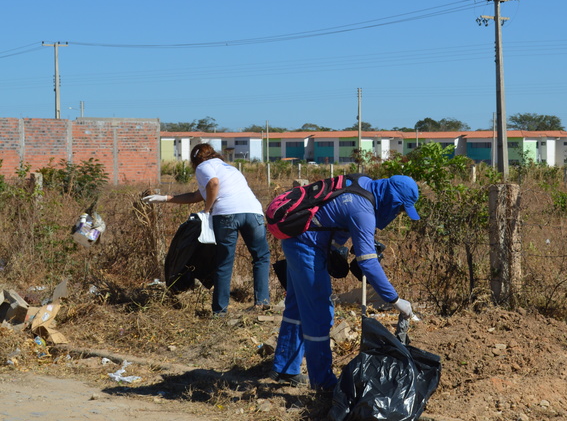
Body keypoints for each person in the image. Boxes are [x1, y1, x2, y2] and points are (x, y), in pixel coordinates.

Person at [270, 174, 419, 391]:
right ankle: (323, 383)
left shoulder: (365, 184)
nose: (398, 214)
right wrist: (395, 300)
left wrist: (337, 248)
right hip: (305, 245)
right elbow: (367, 263)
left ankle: (285, 368)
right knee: (319, 312)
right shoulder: (363, 210)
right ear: (393, 200)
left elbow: (335, 215)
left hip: (300, 240)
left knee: (296, 305)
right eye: (400, 209)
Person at [143, 143, 270, 316]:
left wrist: (207, 209)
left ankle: (220, 311)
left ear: (195, 160)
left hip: (226, 215)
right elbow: (197, 195)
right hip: (253, 213)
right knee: (261, 257)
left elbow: (213, 184)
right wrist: (166, 198)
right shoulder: (229, 168)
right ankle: (262, 303)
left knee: (224, 262)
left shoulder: (203, 166)